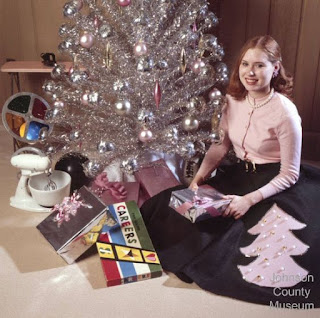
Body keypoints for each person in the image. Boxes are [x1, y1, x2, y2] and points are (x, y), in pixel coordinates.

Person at [140, 35, 320, 307]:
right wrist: (199, 178)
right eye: (245, 64)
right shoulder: (232, 101)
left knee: (237, 238)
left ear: (275, 68)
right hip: (239, 174)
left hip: (272, 183)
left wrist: (249, 200)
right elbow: (220, 146)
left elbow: (290, 174)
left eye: (259, 65)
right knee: (171, 205)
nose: (250, 72)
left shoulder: (286, 113)